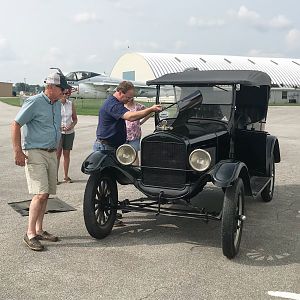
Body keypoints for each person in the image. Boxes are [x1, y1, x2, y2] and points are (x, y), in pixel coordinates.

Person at [11, 72, 72, 251]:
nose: (64, 92)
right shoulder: (34, 102)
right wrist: (18, 152)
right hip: (35, 152)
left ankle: (39, 229)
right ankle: (30, 233)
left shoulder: (55, 104)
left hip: (51, 153)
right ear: (51, 88)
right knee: (40, 193)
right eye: (62, 89)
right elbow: (16, 124)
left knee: (46, 194)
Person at [93, 81, 162, 226]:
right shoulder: (113, 104)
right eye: (128, 97)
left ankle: (111, 211)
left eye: (131, 98)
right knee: (105, 182)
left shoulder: (115, 103)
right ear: (120, 92)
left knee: (110, 182)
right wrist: (150, 109)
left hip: (113, 147)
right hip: (106, 148)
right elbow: (130, 117)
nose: (129, 100)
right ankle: (108, 211)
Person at [57, 89, 78, 184]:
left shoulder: (70, 104)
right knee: (57, 155)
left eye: (67, 94)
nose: (65, 95)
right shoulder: (56, 104)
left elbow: (75, 119)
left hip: (69, 133)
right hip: (58, 133)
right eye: (64, 93)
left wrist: (71, 126)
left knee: (66, 154)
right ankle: (55, 177)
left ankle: (66, 176)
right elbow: (51, 119)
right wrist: (59, 126)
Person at [124, 98, 152, 165]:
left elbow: (149, 113)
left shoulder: (138, 106)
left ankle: (135, 170)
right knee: (123, 153)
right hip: (123, 134)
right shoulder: (122, 106)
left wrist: (141, 122)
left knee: (134, 154)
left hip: (134, 134)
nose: (129, 99)